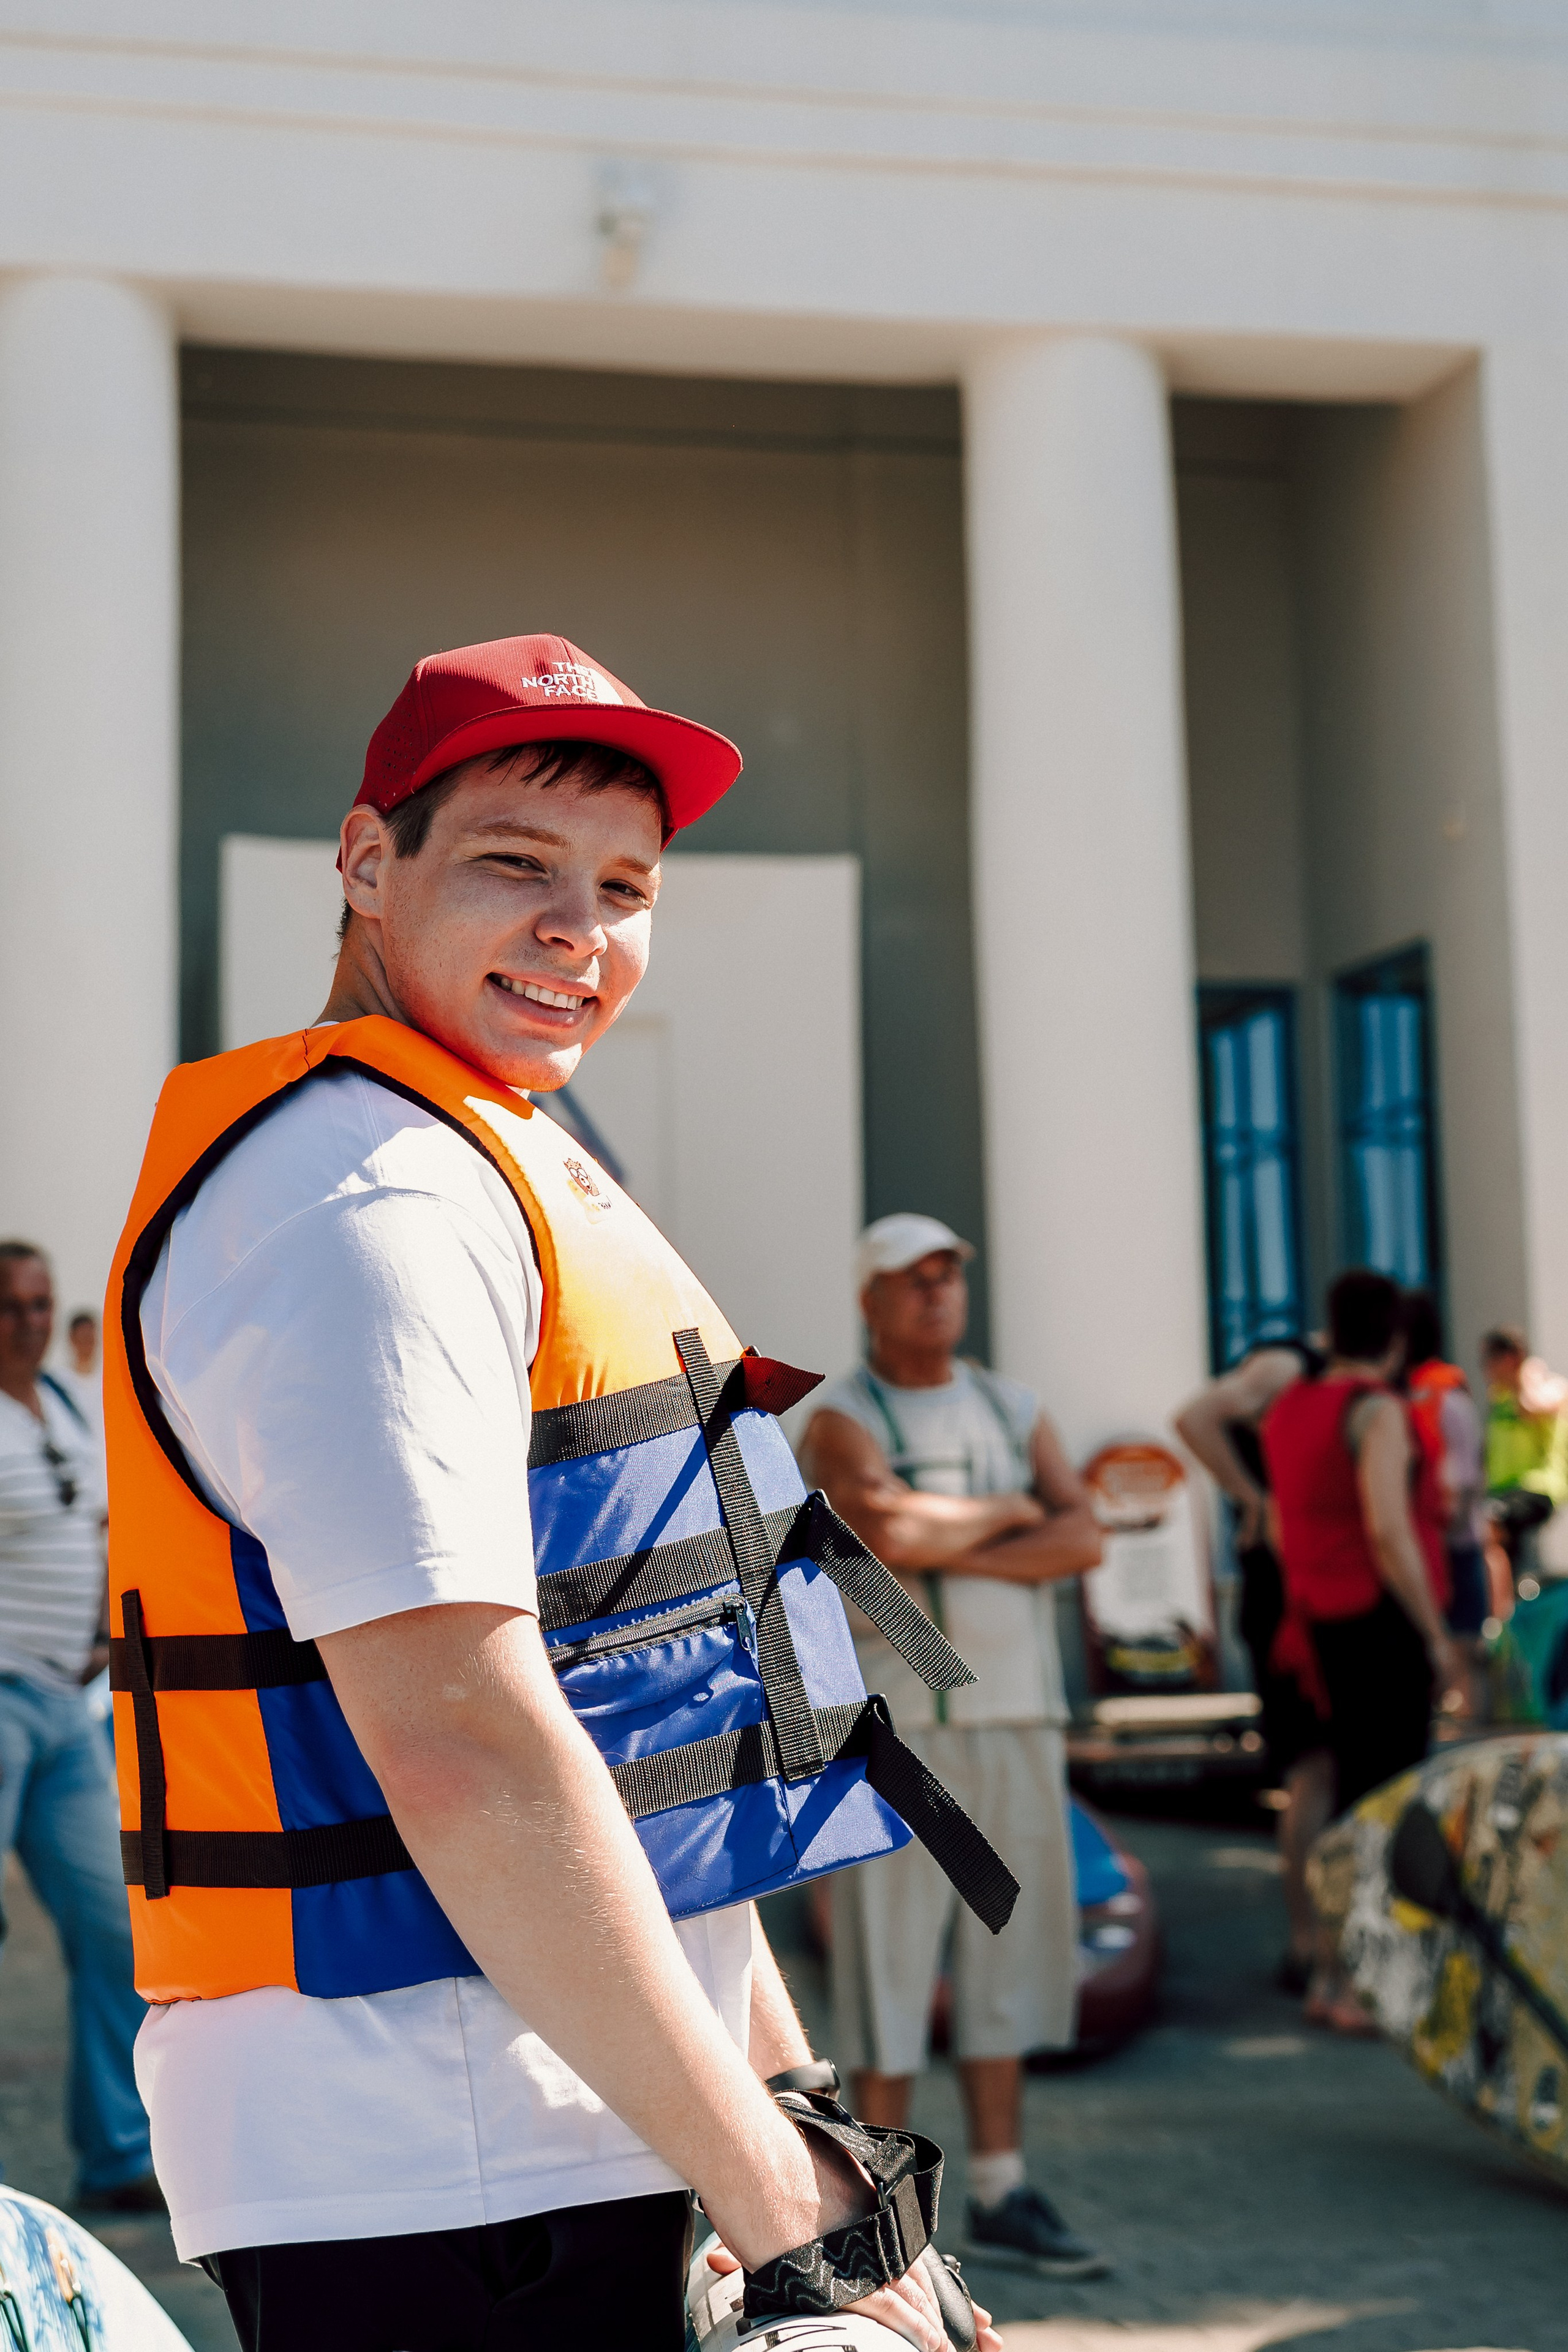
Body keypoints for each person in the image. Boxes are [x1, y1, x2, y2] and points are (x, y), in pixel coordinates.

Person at [106, 636, 998, 2352]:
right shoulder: (360, 1206)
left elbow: (656, 1754)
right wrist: (785, 2211)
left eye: (623, 885)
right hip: (439, 2159)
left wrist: (803, 2123)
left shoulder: (473, 1158)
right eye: (516, 864)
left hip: (568, 2131)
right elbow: (468, 1748)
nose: (578, 929)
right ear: (369, 865)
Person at [798, 1215, 1107, 2282]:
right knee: (888, 1967)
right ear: (870, 1299)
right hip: (899, 1733)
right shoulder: (841, 1414)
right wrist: (1016, 1515)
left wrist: (953, 1532)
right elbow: (880, 1536)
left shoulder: (1013, 1406)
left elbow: (1086, 1537)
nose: (935, 1295)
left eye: (948, 1277)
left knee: (1006, 1961)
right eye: (912, 1280)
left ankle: (1004, 2187)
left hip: (1017, 1718)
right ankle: (878, 2209)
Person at [1261, 1270, 1466, 2032]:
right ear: (1398, 1338)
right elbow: (1388, 1530)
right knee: (1381, 1809)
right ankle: (1354, 1984)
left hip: (1312, 1625)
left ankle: (1325, 1967)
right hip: (1375, 1626)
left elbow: (1283, 1526)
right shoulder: (1374, 1411)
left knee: (1335, 1800)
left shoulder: (1290, 1408)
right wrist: (1435, 1636)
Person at [0, 1241, 157, 2210]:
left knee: (117, 1930)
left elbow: (101, 1525)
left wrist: (107, 1626)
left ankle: (115, 2160)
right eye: (10, 1306)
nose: (27, 1320)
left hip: (70, 1707)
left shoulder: (61, 1404)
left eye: (40, 1303)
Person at [1174, 1341, 1333, 1995]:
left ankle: (1319, 1943)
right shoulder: (1288, 1365)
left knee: (1320, 1772)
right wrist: (1256, 1499)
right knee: (1311, 1772)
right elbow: (1192, 1417)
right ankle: (1306, 1942)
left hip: (1307, 1590)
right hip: (1287, 1598)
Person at [1401, 1293, 1490, 1644]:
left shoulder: (1443, 1397)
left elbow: (1468, 1478)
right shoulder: (1413, 1395)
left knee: (1465, 1647)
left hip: (1453, 1541)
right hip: (1432, 1539)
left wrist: (1449, 1532)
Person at [1482, 1324, 1568, 1578]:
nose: (1485, 1368)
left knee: (1491, 1524)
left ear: (1510, 1359)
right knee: (1493, 1542)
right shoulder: (1499, 1397)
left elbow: (1533, 1407)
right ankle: (1508, 1608)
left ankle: (1503, 1612)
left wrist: (1526, 1371)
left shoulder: (1548, 1387)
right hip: (1503, 1491)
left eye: (1488, 1359)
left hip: (1538, 1488)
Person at [55, 1311, 102, 1435]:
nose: (87, 1342)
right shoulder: (59, 1383)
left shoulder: (108, 1380)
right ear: (72, 1338)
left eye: (90, 1337)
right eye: (83, 1337)